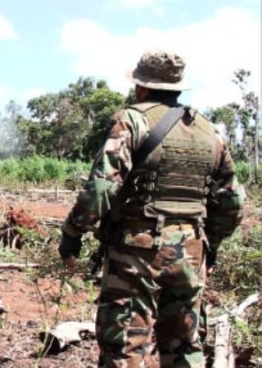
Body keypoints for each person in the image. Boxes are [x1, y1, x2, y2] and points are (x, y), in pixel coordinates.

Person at [58, 49, 245, 368]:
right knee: (185, 346)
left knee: (125, 346)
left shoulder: (131, 120)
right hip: (190, 255)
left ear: (141, 86)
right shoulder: (209, 131)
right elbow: (233, 202)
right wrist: (207, 246)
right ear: (177, 87)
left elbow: (102, 187)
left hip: (136, 254)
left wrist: (73, 232)